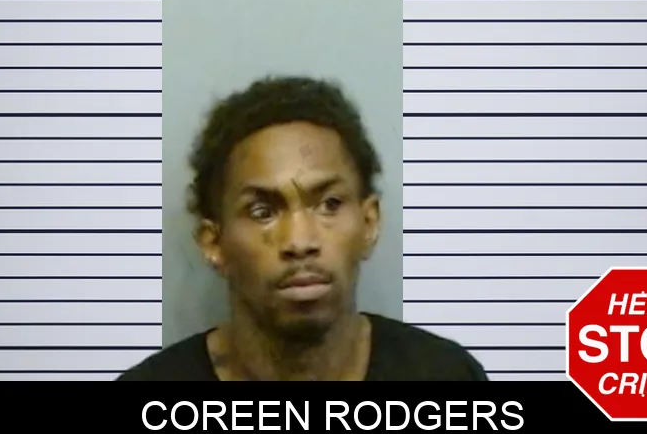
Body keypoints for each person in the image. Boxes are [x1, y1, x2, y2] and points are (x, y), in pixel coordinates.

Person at [117, 76, 488, 381]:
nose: (300, 241)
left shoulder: (445, 377)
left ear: (369, 222)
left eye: (329, 205)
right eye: (262, 211)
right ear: (214, 243)